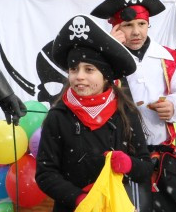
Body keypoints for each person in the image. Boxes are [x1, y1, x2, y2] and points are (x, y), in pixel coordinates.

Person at [34, 14, 152, 210]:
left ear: (106, 76)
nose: (79, 76)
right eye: (73, 69)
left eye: (89, 70)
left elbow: (146, 168)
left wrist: (129, 164)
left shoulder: (125, 112)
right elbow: (46, 174)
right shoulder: (58, 116)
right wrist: (79, 198)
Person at [93, 0, 176, 211]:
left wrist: (173, 106)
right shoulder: (102, 60)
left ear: (149, 24)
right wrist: (109, 51)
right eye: (128, 25)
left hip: (160, 153)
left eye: (141, 24)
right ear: (115, 27)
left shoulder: (165, 57)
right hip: (123, 154)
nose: (136, 32)